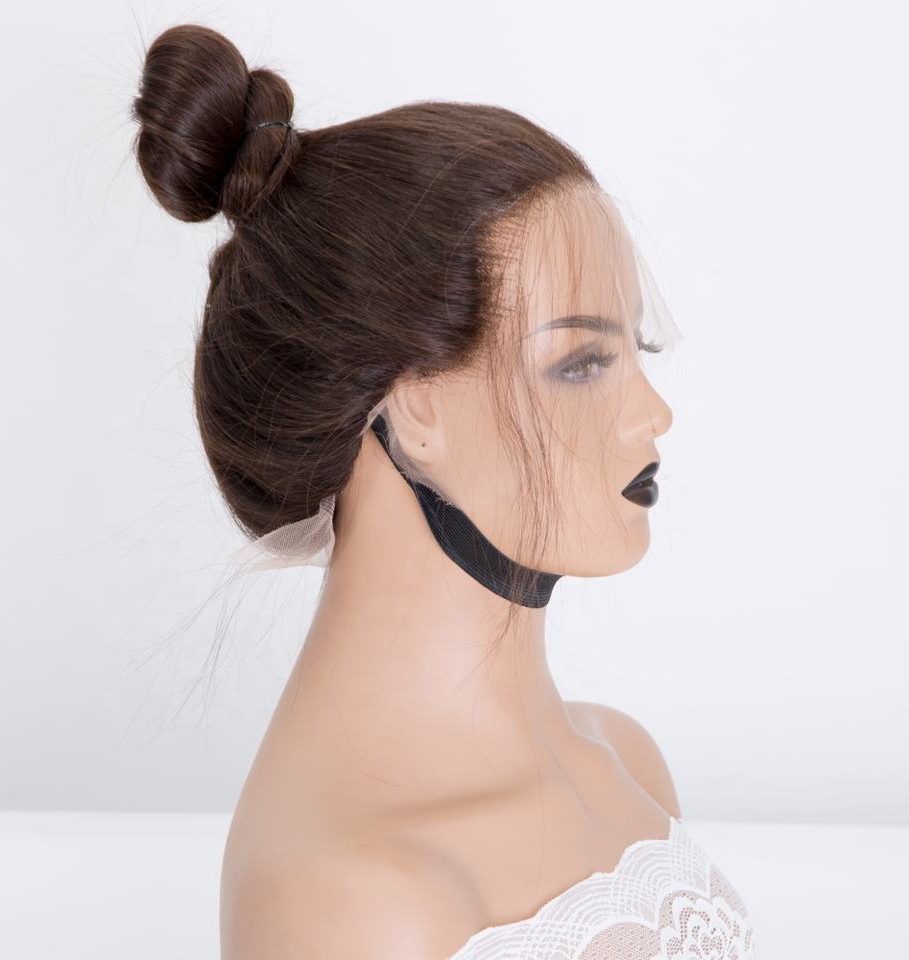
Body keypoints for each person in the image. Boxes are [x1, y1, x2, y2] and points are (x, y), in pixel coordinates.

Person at [131, 23, 757, 959]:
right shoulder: (349, 898)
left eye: (637, 348)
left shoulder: (627, 765)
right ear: (415, 409)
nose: (652, 413)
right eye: (582, 363)